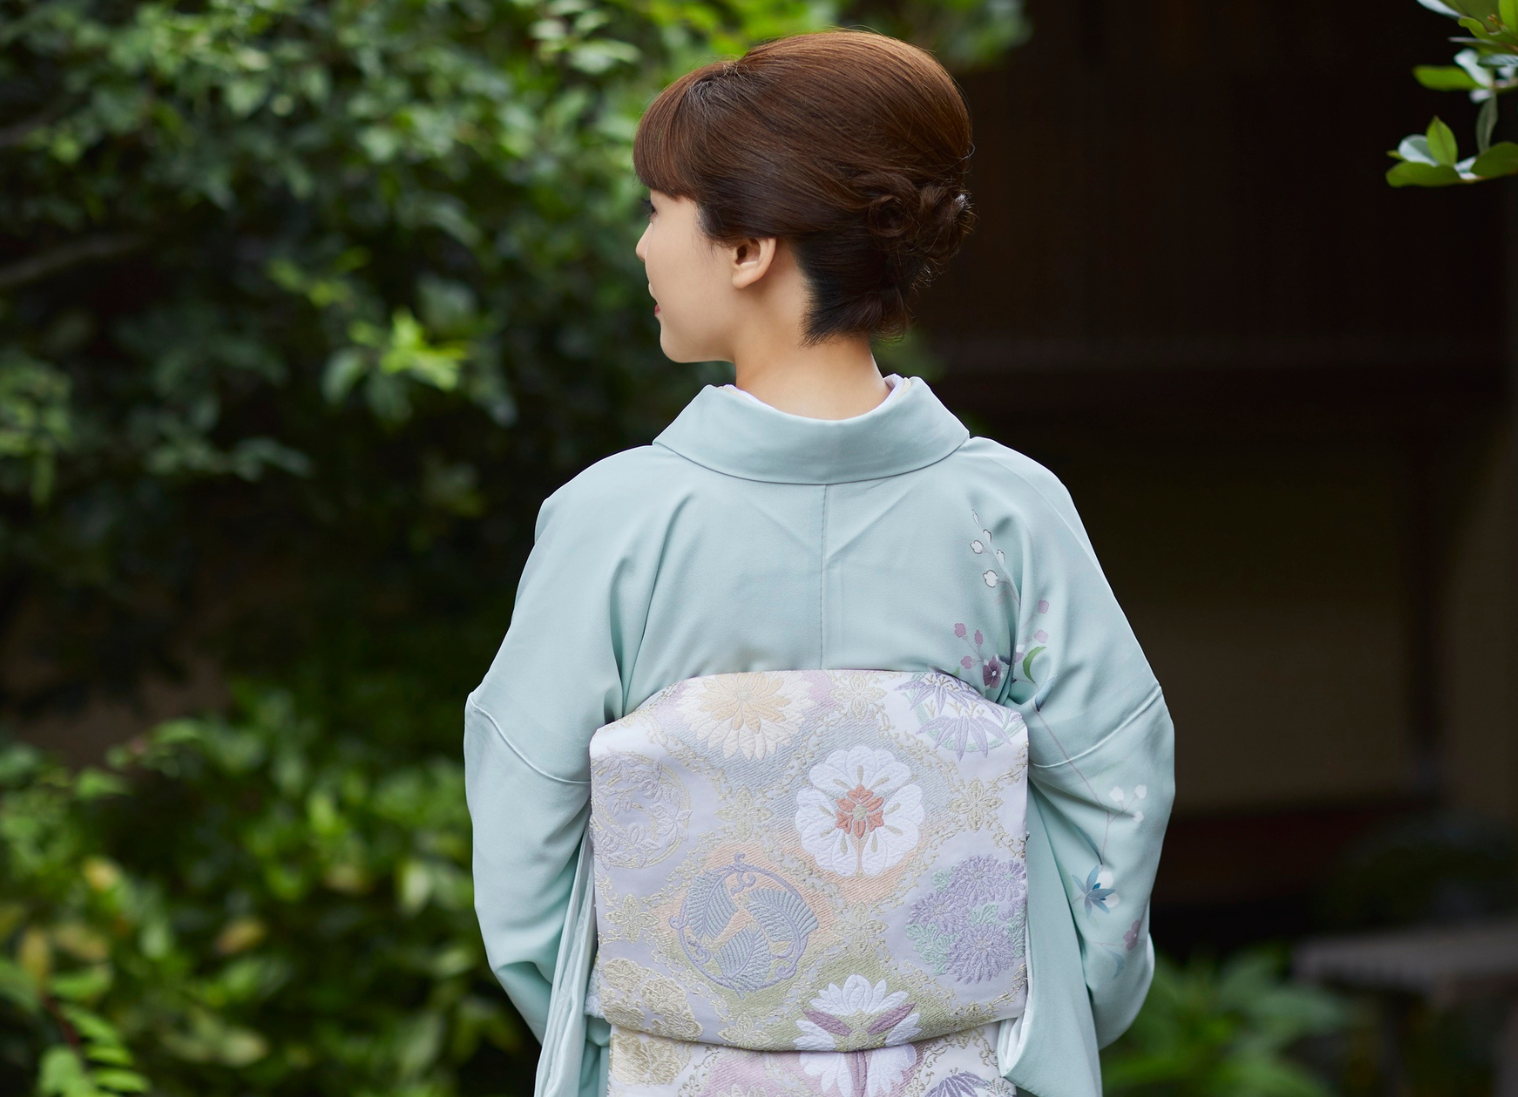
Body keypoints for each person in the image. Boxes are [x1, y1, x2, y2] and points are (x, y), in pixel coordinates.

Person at [465, 30, 1174, 1097]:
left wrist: (629, 1041)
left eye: (658, 210)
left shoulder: (613, 522)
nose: (643, 246)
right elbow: (1119, 785)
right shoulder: (1012, 514)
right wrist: (1056, 1017)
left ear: (749, 246)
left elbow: (525, 850)